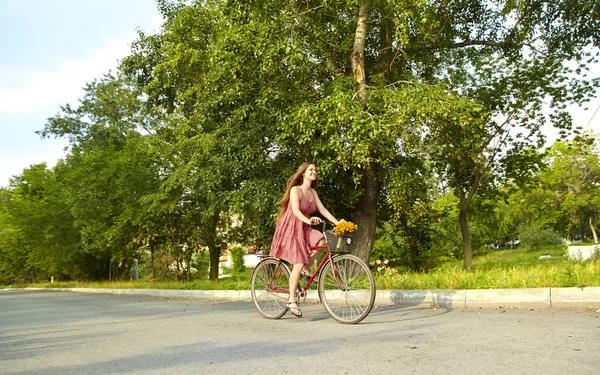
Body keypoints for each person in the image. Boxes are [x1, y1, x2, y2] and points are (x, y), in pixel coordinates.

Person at [270, 162, 341, 318]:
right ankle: (291, 300)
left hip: (305, 227)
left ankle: (306, 267)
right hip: (291, 227)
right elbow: (295, 210)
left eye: (315, 170)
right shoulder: (296, 190)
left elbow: (323, 210)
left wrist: (339, 223)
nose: (314, 172)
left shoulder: (313, 193)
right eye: (311, 170)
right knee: (298, 262)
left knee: (322, 241)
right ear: (303, 173)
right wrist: (308, 221)